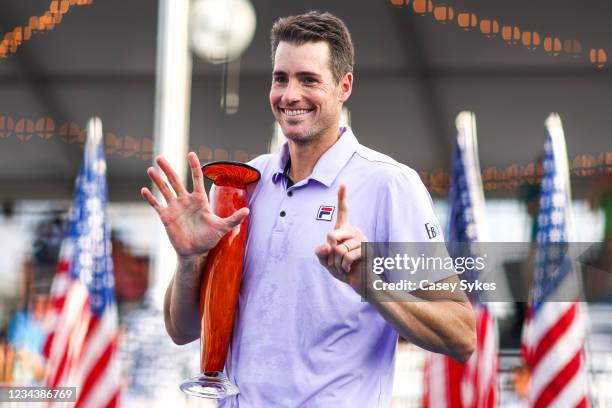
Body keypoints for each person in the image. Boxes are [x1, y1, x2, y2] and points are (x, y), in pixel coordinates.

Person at [141, 11, 475, 407]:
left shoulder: (390, 184)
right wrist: (190, 259)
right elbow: (180, 331)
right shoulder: (244, 182)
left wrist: (371, 285)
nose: (290, 95)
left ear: (343, 86)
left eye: (309, 80)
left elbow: (462, 335)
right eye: (280, 78)